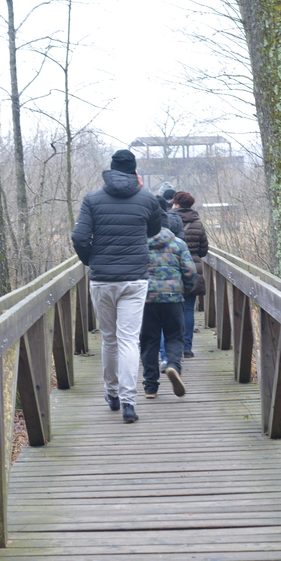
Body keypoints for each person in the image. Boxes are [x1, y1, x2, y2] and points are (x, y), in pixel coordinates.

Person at [71, 150, 162, 423]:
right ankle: (129, 402)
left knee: (109, 339)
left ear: (110, 170)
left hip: (102, 280)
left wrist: (92, 260)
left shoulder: (92, 199)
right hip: (134, 279)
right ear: (136, 172)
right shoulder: (147, 198)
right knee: (129, 340)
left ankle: (111, 393)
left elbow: (79, 236)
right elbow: (154, 230)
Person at [140, 225, 196, 399]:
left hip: (146, 299)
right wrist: (183, 291)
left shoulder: (137, 243)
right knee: (174, 336)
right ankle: (173, 365)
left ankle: (150, 387)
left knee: (149, 341)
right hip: (173, 298)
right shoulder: (178, 243)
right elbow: (190, 272)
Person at [172, 191, 208, 358]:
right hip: (193, 268)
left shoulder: (168, 220)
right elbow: (203, 251)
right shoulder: (198, 223)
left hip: (171, 267)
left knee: (171, 310)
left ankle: (172, 347)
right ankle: (187, 348)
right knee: (188, 309)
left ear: (177, 205)